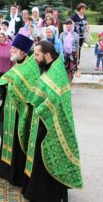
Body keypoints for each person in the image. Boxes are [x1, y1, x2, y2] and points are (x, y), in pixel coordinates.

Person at [22, 40, 83, 202]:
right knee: (39, 155)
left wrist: (40, 108)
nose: (34, 58)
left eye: (37, 55)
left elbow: (56, 99)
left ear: (47, 55)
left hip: (51, 122)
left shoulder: (57, 72)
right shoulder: (49, 67)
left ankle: (46, 194)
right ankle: (37, 191)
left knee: (46, 154)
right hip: (42, 120)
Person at [0, 34, 39, 188]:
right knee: (8, 137)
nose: (11, 51)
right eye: (12, 48)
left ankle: (16, 175)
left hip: (21, 111)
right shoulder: (18, 64)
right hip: (10, 108)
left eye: (14, 49)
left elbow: (28, 88)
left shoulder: (31, 66)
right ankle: (5, 171)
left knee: (17, 139)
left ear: (23, 52)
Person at [0, 33, 14, 99]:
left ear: (5, 38)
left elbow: (13, 57)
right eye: (0, 37)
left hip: (7, 68)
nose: (1, 39)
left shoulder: (10, 45)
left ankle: (4, 95)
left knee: (5, 83)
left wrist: (12, 67)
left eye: (2, 37)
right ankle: (2, 94)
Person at [59, 19, 80, 83]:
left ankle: (70, 84)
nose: (69, 26)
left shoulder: (76, 35)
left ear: (72, 26)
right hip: (64, 55)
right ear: (65, 26)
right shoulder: (62, 34)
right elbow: (60, 45)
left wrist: (77, 58)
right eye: (67, 24)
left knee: (71, 71)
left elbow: (77, 47)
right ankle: (65, 85)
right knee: (65, 70)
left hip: (72, 55)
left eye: (70, 24)